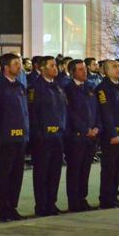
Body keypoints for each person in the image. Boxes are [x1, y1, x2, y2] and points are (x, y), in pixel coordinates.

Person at [0, 53, 28, 222]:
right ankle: (3, 210)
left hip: (20, 138)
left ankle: (13, 207)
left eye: (20, 64)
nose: (19, 67)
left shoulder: (20, 86)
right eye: (16, 64)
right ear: (6, 67)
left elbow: (25, 113)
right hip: (5, 139)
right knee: (4, 176)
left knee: (17, 176)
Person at [29, 56, 67, 217]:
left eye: (55, 66)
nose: (55, 69)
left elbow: (63, 111)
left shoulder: (57, 87)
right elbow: (33, 114)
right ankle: (42, 205)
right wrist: (39, 134)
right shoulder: (35, 87)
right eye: (51, 66)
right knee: (42, 173)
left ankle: (52, 203)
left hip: (57, 136)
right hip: (43, 138)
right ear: (43, 68)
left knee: (55, 172)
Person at [95, 59, 119, 209]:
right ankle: (106, 198)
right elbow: (106, 112)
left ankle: (114, 195)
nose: (118, 69)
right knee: (109, 168)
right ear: (105, 71)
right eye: (114, 67)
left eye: (118, 66)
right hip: (112, 135)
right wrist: (112, 133)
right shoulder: (103, 88)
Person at [63, 60, 98, 212]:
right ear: (73, 72)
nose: (85, 72)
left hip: (91, 136)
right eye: (80, 70)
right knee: (75, 170)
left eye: (85, 69)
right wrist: (84, 129)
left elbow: (96, 110)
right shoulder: (67, 89)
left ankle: (82, 198)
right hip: (76, 136)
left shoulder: (90, 88)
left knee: (85, 169)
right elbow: (70, 113)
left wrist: (97, 127)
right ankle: (74, 201)